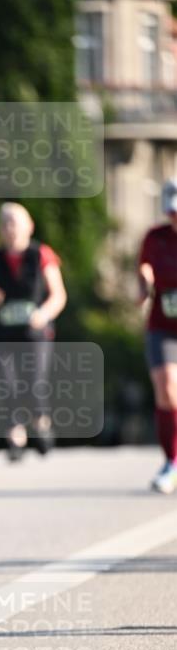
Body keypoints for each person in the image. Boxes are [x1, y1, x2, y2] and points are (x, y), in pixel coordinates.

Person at [0, 203, 67, 460]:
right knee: (7, 383)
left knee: (34, 382)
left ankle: (41, 424)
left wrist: (42, 314)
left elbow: (58, 295)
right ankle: (15, 437)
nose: (11, 228)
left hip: (35, 333)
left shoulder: (42, 254)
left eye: (16, 222)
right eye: (6, 223)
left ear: (29, 226)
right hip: (5, 333)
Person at [138, 178, 177, 494]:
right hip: (162, 326)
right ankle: (171, 462)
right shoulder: (155, 237)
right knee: (167, 390)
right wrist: (144, 282)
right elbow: (146, 269)